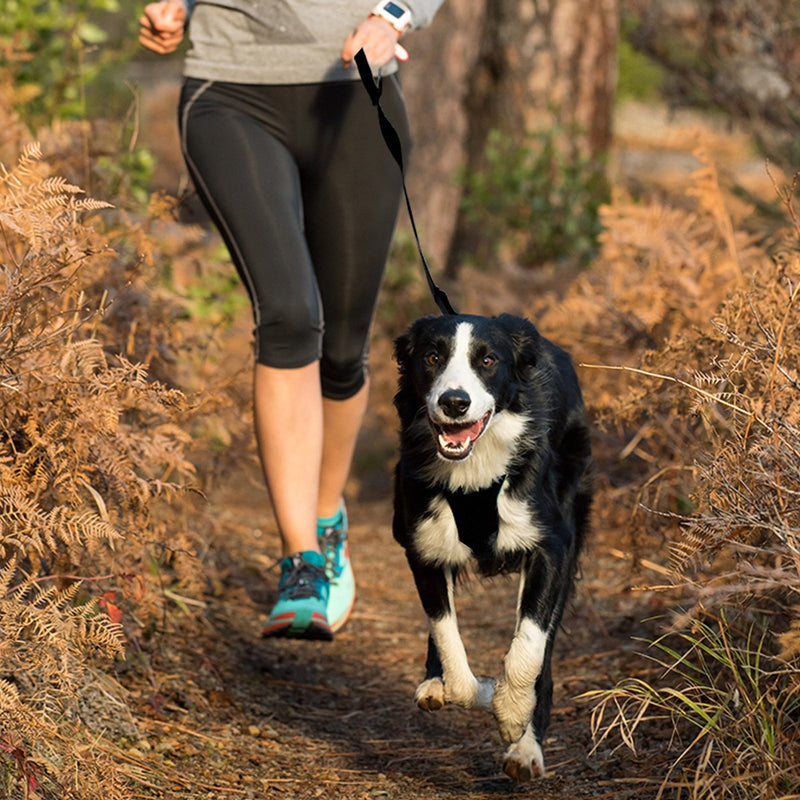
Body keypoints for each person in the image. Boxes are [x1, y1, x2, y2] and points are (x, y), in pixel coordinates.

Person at [138, 0, 444, 640]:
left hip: (356, 92)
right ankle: (300, 561)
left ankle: (327, 515)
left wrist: (394, 16)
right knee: (287, 316)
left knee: (342, 347)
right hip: (230, 92)